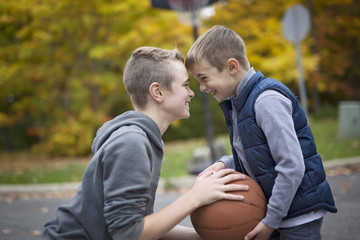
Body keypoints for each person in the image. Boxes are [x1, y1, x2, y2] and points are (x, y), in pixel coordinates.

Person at [41, 46, 248, 240]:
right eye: (185, 85)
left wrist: (205, 236)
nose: (192, 93)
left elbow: (142, 226)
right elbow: (129, 233)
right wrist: (194, 197)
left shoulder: (141, 139)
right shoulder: (131, 143)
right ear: (157, 92)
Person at [185, 25, 337, 240]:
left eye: (204, 78)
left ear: (231, 67)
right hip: (277, 211)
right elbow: (255, 153)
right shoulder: (239, 103)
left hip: (296, 212)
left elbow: (291, 164)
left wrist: (270, 220)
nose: (201, 88)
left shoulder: (266, 101)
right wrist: (224, 163)